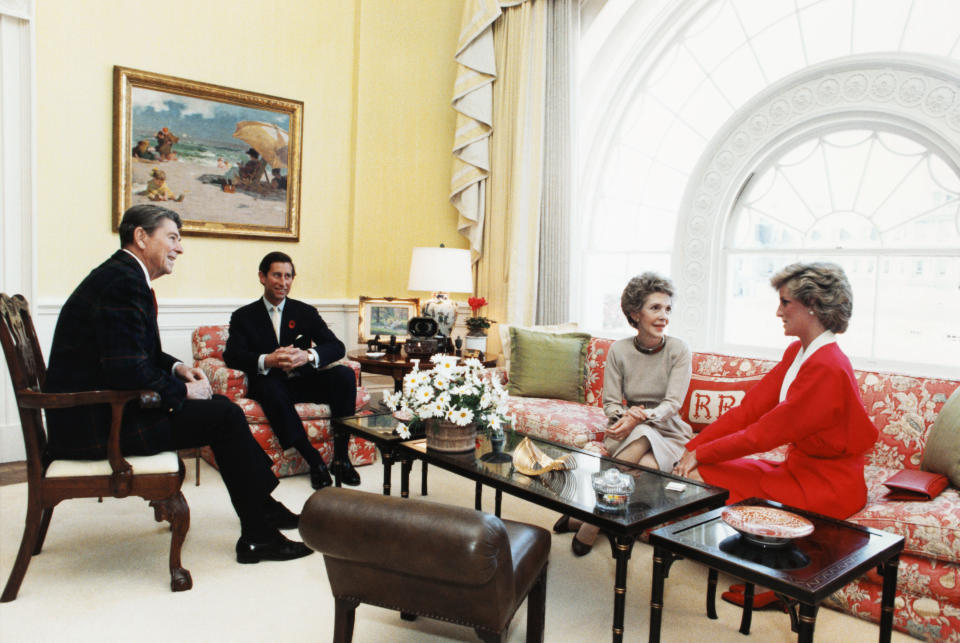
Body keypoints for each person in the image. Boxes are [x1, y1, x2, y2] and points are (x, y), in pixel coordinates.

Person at [44, 204, 312, 564]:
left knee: (223, 412)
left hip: (95, 414)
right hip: (99, 425)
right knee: (225, 416)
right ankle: (259, 532)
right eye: (172, 237)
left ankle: (262, 510)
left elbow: (141, 355)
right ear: (141, 237)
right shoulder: (123, 283)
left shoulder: (121, 276)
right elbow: (125, 372)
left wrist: (178, 369)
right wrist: (184, 392)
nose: (180, 248)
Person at [673, 262, 877, 609]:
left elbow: (763, 435)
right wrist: (691, 447)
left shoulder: (827, 366)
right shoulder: (798, 352)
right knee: (708, 471)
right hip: (799, 472)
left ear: (812, 304)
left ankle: (780, 581)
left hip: (829, 487)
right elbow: (749, 411)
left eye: (785, 303)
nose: (778, 312)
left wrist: (702, 454)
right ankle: (766, 569)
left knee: (711, 471)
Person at [554, 272, 693, 556]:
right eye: (655, 308)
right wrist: (628, 417)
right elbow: (611, 405)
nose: (664, 315)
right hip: (624, 430)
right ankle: (605, 518)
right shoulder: (619, 350)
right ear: (634, 313)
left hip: (668, 431)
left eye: (667, 308)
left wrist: (640, 417)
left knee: (649, 455)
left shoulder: (679, 350)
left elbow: (672, 404)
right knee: (644, 451)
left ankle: (591, 519)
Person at [223, 252, 361, 490]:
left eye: (288, 276)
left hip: (303, 380)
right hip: (270, 384)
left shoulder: (305, 312)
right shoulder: (243, 316)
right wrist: (268, 360)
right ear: (262, 277)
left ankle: (341, 458)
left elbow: (337, 346)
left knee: (344, 376)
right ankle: (313, 460)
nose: (283, 282)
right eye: (277, 275)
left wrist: (307, 355)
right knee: (270, 390)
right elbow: (232, 355)